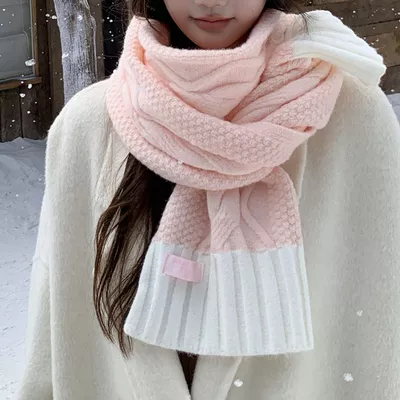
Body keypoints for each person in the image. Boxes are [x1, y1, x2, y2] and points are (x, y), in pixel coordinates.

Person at [17, 0, 400, 399]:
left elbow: (379, 332)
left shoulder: (352, 119)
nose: (212, 1)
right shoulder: (86, 128)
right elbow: (53, 336)